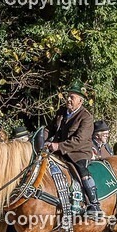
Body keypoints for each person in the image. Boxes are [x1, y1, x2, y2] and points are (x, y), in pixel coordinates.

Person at [46, 82, 102, 216]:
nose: (69, 99)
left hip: (78, 153)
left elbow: (79, 140)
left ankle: (94, 204)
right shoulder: (61, 112)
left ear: (80, 101)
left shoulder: (86, 117)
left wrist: (58, 146)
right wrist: (42, 139)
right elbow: (50, 129)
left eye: (72, 97)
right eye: (68, 96)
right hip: (58, 152)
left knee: (82, 171)